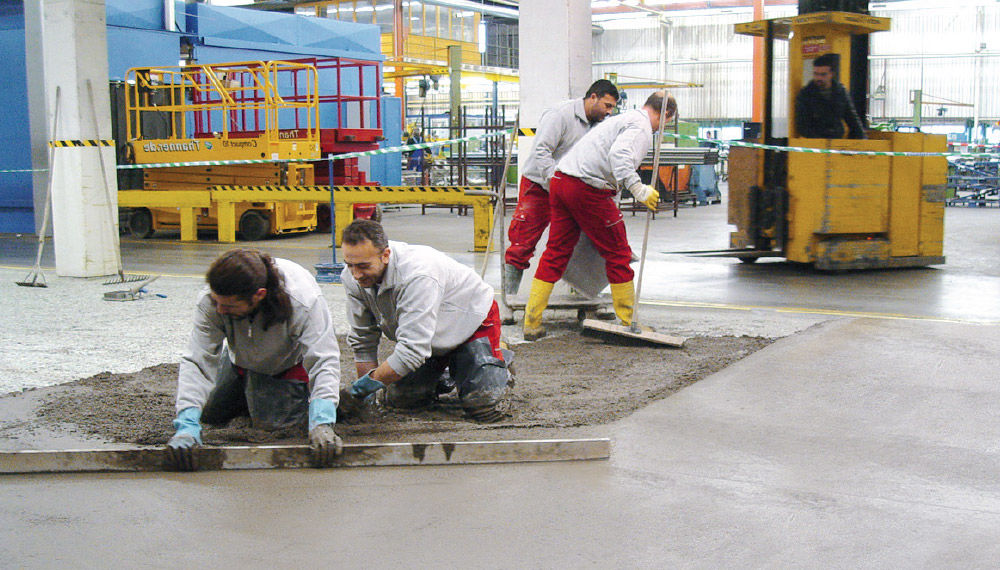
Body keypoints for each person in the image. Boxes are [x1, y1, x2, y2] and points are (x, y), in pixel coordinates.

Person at [166, 249, 343, 471]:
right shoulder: (213, 299)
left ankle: (314, 402)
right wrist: (186, 424)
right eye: (217, 302)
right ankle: (249, 391)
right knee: (210, 414)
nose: (219, 310)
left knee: (274, 427)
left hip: (285, 364)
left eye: (228, 306)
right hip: (239, 360)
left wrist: (322, 422)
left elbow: (324, 360)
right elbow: (198, 359)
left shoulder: (303, 300)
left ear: (258, 295)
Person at [522, 91, 677, 341]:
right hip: (587, 188)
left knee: (556, 251)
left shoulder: (624, 119)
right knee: (618, 253)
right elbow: (619, 156)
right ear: (666, 114)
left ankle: (531, 321)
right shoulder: (641, 127)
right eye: (667, 122)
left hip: (562, 181)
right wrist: (639, 189)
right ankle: (629, 321)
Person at [338, 219, 512, 423]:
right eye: (349, 265)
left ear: (385, 255)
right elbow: (363, 340)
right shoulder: (352, 278)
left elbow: (412, 351)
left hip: (471, 321)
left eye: (363, 266)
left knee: (484, 405)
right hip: (430, 335)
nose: (356, 274)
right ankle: (449, 369)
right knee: (401, 399)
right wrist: (366, 399)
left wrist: (358, 390)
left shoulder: (418, 274)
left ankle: (498, 360)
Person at [503, 79, 621, 295]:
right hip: (540, 186)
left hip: (575, 189)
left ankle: (584, 294)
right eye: (607, 105)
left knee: (585, 241)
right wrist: (556, 184)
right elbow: (542, 151)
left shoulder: (600, 125)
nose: (609, 112)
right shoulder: (560, 115)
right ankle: (508, 299)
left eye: (612, 108)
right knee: (522, 244)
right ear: (593, 97)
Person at [794, 53, 867, 140]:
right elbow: (802, 125)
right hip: (815, 142)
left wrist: (862, 139)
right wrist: (820, 141)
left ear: (831, 74)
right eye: (816, 74)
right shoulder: (805, 94)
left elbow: (852, 118)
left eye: (823, 74)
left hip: (836, 140)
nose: (819, 78)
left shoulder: (840, 92)